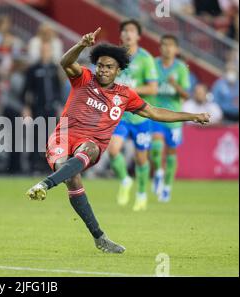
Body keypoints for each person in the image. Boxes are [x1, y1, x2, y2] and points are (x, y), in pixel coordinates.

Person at [26, 29, 210, 253]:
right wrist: (81, 45)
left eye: (109, 67)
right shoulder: (83, 78)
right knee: (72, 177)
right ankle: (100, 238)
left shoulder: (125, 95)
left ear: (118, 70)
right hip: (62, 137)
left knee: (90, 149)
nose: (103, 70)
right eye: (100, 65)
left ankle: (44, 184)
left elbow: (154, 112)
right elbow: (65, 61)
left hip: (91, 142)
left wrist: (193, 116)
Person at [108, 19, 159, 211]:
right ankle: (125, 180)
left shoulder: (146, 58)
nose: (128, 34)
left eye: (132, 31)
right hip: (119, 115)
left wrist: (132, 89)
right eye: (125, 31)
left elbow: (153, 88)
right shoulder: (113, 57)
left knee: (141, 159)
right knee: (113, 150)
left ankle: (142, 194)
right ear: (120, 35)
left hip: (140, 116)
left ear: (138, 36)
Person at [150, 35, 191, 202]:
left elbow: (186, 95)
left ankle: (167, 187)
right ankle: (159, 172)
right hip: (157, 113)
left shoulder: (181, 68)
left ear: (176, 49)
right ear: (160, 48)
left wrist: (175, 84)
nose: (167, 48)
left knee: (172, 152)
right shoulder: (153, 64)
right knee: (156, 146)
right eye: (164, 45)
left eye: (171, 45)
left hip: (174, 116)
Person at [22, 42, 63, 173]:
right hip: (37, 108)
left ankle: (48, 165)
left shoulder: (54, 68)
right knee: (36, 137)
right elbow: (27, 90)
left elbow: (58, 89)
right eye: (43, 50)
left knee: (51, 138)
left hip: (51, 108)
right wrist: (27, 107)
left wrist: (60, 105)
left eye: (47, 50)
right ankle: (34, 166)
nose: (45, 53)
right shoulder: (33, 69)